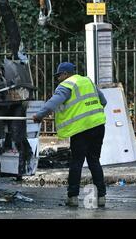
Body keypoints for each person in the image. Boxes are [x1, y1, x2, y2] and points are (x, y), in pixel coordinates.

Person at [33, 62, 107, 207]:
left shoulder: (66, 85)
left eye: (59, 75)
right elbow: (103, 101)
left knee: (77, 162)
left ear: (66, 74)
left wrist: (39, 115)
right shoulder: (87, 81)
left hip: (81, 130)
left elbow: (54, 102)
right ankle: (102, 197)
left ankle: (72, 197)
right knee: (94, 161)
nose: (58, 79)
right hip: (98, 126)